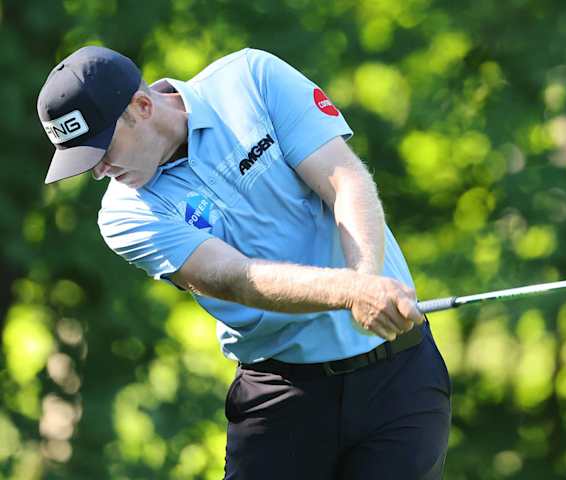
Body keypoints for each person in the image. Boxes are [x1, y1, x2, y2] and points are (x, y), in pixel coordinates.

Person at [37, 45, 451, 479]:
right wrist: (353, 292)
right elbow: (235, 278)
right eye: (84, 158)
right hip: (281, 397)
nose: (99, 170)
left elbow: (342, 179)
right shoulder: (125, 214)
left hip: (398, 378)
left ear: (142, 106)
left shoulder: (250, 78)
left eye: (102, 148)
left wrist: (367, 280)